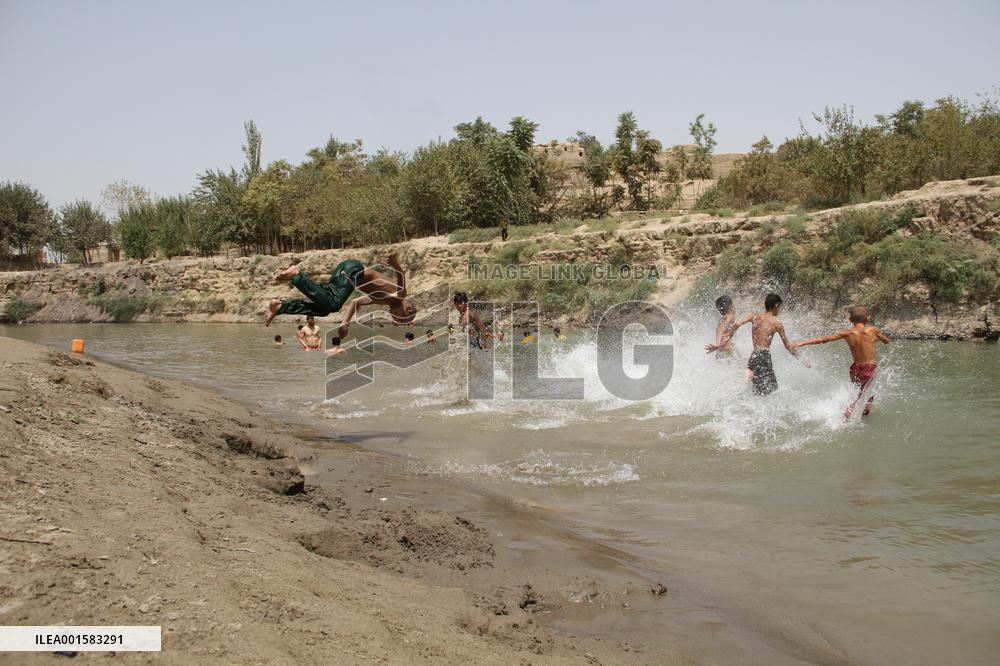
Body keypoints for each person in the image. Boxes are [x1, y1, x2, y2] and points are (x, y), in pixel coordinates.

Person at [266, 253, 417, 340]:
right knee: (334, 304)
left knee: (325, 310)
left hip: (346, 274)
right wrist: (395, 263)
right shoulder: (399, 296)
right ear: (407, 309)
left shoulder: (383, 300)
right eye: (400, 319)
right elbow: (401, 275)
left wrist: (345, 324)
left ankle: (280, 306)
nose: (395, 320)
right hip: (353, 271)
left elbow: (356, 302)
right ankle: (296, 275)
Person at [793, 305, 889, 418]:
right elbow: (886, 341)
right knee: (866, 396)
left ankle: (850, 411)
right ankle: (846, 415)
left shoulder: (847, 333)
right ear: (868, 318)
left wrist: (803, 342)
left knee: (860, 392)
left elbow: (825, 339)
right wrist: (873, 340)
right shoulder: (873, 330)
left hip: (855, 369)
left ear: (850, 319)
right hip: (869, 369)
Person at [706, 293, 805, 396]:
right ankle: (743, 384)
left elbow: (737, 324)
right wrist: (801, 359)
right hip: (762, 356)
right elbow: (788, 346)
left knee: (756, 388)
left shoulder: (754, 316)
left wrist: (724, 340)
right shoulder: (776, 324)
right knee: (772, 389)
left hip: (753, 356)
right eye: (779, 307)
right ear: (776, 306)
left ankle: (744, 380)